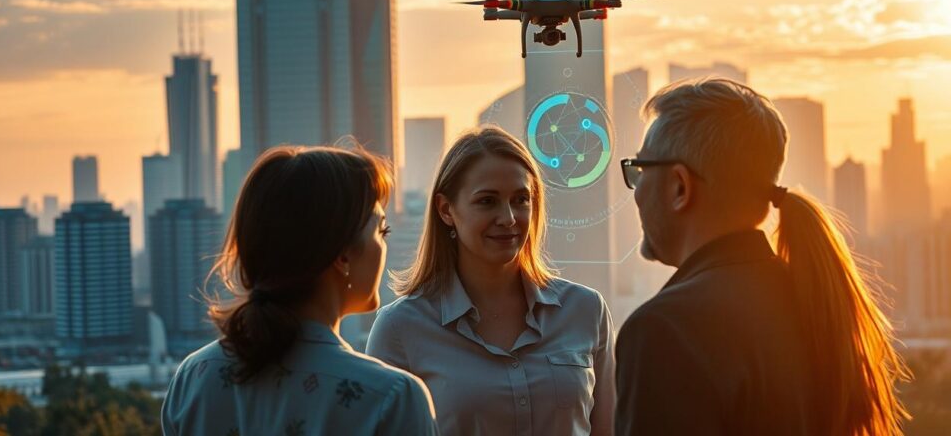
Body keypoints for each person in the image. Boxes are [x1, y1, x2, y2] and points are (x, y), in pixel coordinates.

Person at [614, 78, 910, 435]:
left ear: (680, 186)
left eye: (641, 170)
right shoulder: (816, 303)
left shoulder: (664, 331)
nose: (636, 191)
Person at [161, 145, 438, 436]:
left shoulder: (195, 377)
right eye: (381, 231)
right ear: (342, 255)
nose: (385, 246)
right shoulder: (389, 398)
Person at [367, 126, 614, 436]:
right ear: (446, 210)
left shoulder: (586, 310)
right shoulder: (400, 329)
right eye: (487, 201)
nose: (509, 218)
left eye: (521, 199)